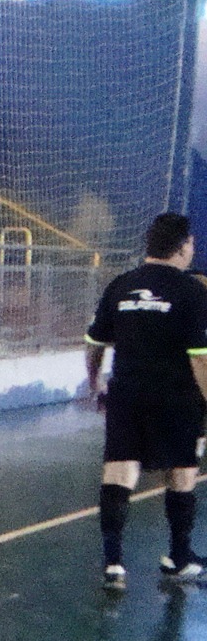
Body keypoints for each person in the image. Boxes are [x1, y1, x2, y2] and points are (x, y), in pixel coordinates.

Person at [84, 211, 207, 589]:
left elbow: (95, 343)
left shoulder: (121, 286)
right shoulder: (192, 291)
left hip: (127, 395)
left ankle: (113, 565)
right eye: (191, 244)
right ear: (182, 247)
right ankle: (178, 558)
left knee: (119, 471)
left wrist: (95, 383)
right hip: (176, 398)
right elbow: (199, 357)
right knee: (182, 473)